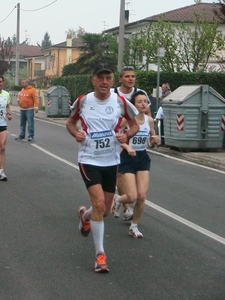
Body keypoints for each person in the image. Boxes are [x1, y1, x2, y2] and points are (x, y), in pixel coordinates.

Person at [66, 64, 139, 273]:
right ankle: (100, 255)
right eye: (100, 78)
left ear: (113, 82)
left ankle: (85, 216)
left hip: (111, 161)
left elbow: (134, 124)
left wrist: (128, 135)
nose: (104, 82)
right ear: (94, 80)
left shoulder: (120, 102)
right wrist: (75, 133)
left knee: (104, 210)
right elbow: (70, 123)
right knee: (98, 203)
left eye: (108, 78)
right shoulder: (83, 101)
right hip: (88, 159)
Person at [112, 90, 160, 238]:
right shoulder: (127, 120)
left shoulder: (149, 120)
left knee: (141, 196)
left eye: (145, 101)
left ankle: (134, 226)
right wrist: (127, 147)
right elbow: (115, 136)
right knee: (131, 196)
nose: (143, 104)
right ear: (134, 105)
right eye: (139, 101)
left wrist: (154, 141)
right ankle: (118, 199)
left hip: (142, 157)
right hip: (128, 157)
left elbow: (151, 142)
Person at [112, 66, 151, 221]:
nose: (130, 79)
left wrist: (150, 132)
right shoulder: (114, 94)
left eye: (133, 76)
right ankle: (127, 206)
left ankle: (124, 203)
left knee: (125, 176)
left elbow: (147, 114)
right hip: (116, 136)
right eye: (127, 76)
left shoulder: (140, 94)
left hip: (131, 137)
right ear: (120, 78)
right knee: (119, 176)